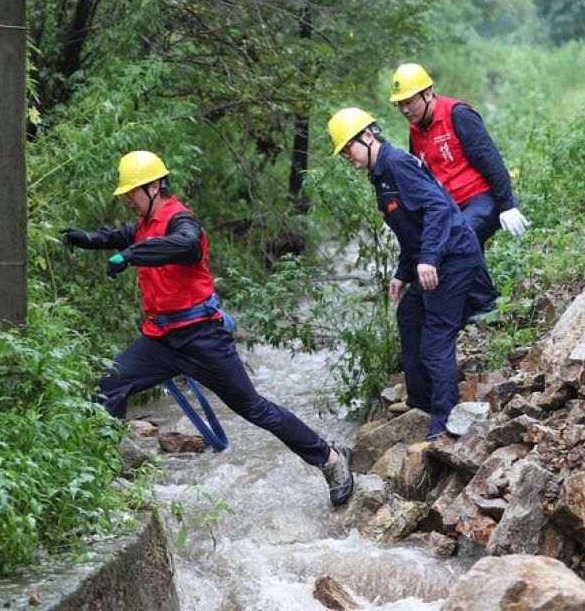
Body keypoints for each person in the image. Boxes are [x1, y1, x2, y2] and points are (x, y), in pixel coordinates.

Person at [62, 150, 354, 506]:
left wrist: (131, 255)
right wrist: (89, 240)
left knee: (254, 408)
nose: (127, 200)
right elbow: (118, 236)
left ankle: (331, 459)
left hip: (202, 338)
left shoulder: (183, 223)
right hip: (161, 341)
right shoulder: (143, 224)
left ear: (155, 187)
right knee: (108, 388)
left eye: (132, 192)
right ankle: (101, 481)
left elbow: (180, 246)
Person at [328, 108, 489, 443]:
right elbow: (409, 228)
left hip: (453, 257)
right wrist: (403, 272)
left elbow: (436, 208)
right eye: (342, 151)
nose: (347, 156)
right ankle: (419, 399)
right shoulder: (380, 174)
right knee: (409, 314)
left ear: (368, 136)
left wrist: (428, 259)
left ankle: (443, 421)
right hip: (435, 258)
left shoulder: (397, 163)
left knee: (435, 340)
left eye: (349, 147)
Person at [387, 63, 529, 248]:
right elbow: (423, 179)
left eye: (409, 102)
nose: (405, 110)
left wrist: (507, 206)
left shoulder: (458, 114)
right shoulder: (415, 131)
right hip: (450, 207)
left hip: (481, 199)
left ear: (427, 93)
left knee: (458, 239)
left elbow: (492, 161)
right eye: (400, 104)